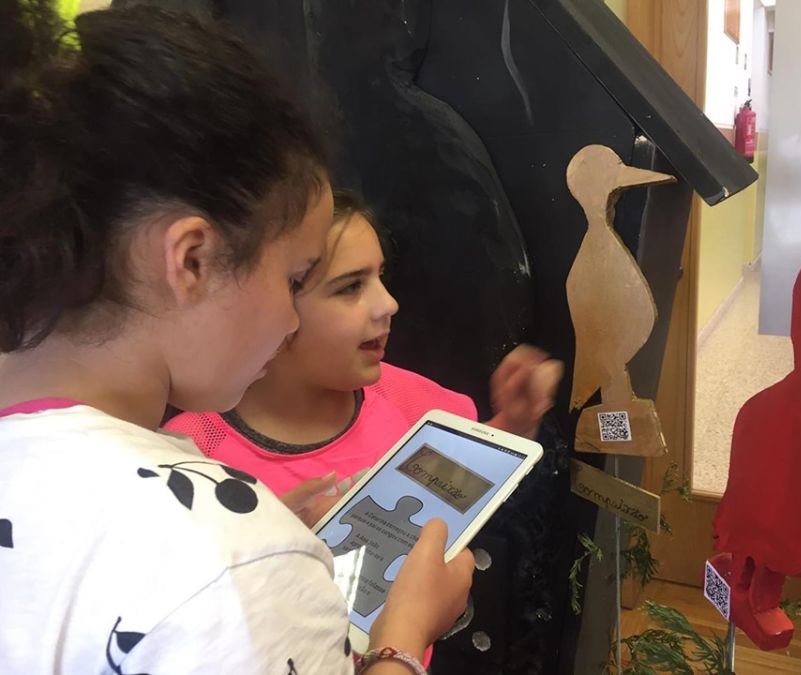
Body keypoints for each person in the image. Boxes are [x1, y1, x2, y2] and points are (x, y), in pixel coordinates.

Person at [0, 3, 472, 674]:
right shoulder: (229, 559)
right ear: (192, 260)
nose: (289, 321)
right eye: (295, 277)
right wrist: (401, 637)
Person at [165, 191, 563, 523]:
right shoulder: (188, 455)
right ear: (266, 306)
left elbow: (456, 489)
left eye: (380, 276)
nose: (388, 304)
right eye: (350, 287)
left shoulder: (411, 403)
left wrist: (513, 425)